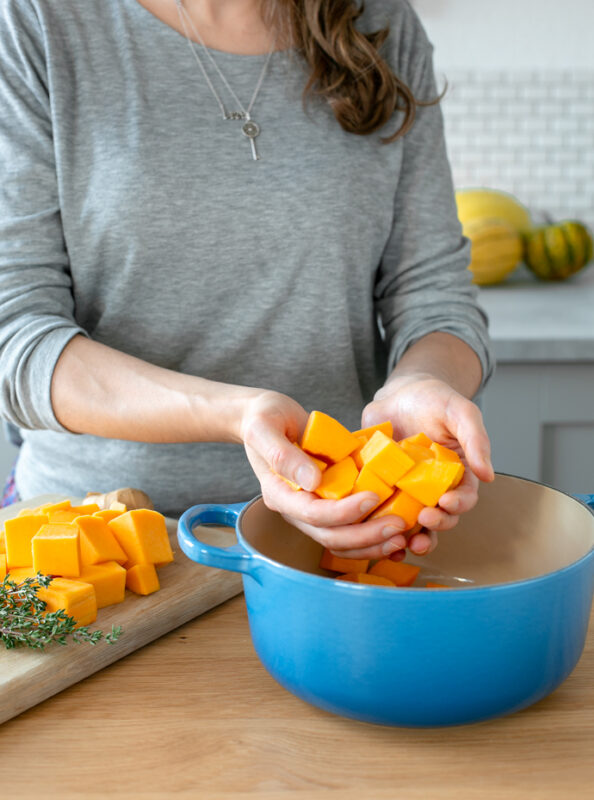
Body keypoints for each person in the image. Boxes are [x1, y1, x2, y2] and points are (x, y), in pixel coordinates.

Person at [0, 0, 494, 562]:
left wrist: (420, 383)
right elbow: (15, 337)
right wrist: (236, 415)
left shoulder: (379, 22)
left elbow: (435, 295)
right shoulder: (36, 20)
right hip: (101, 538)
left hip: (342, 538)